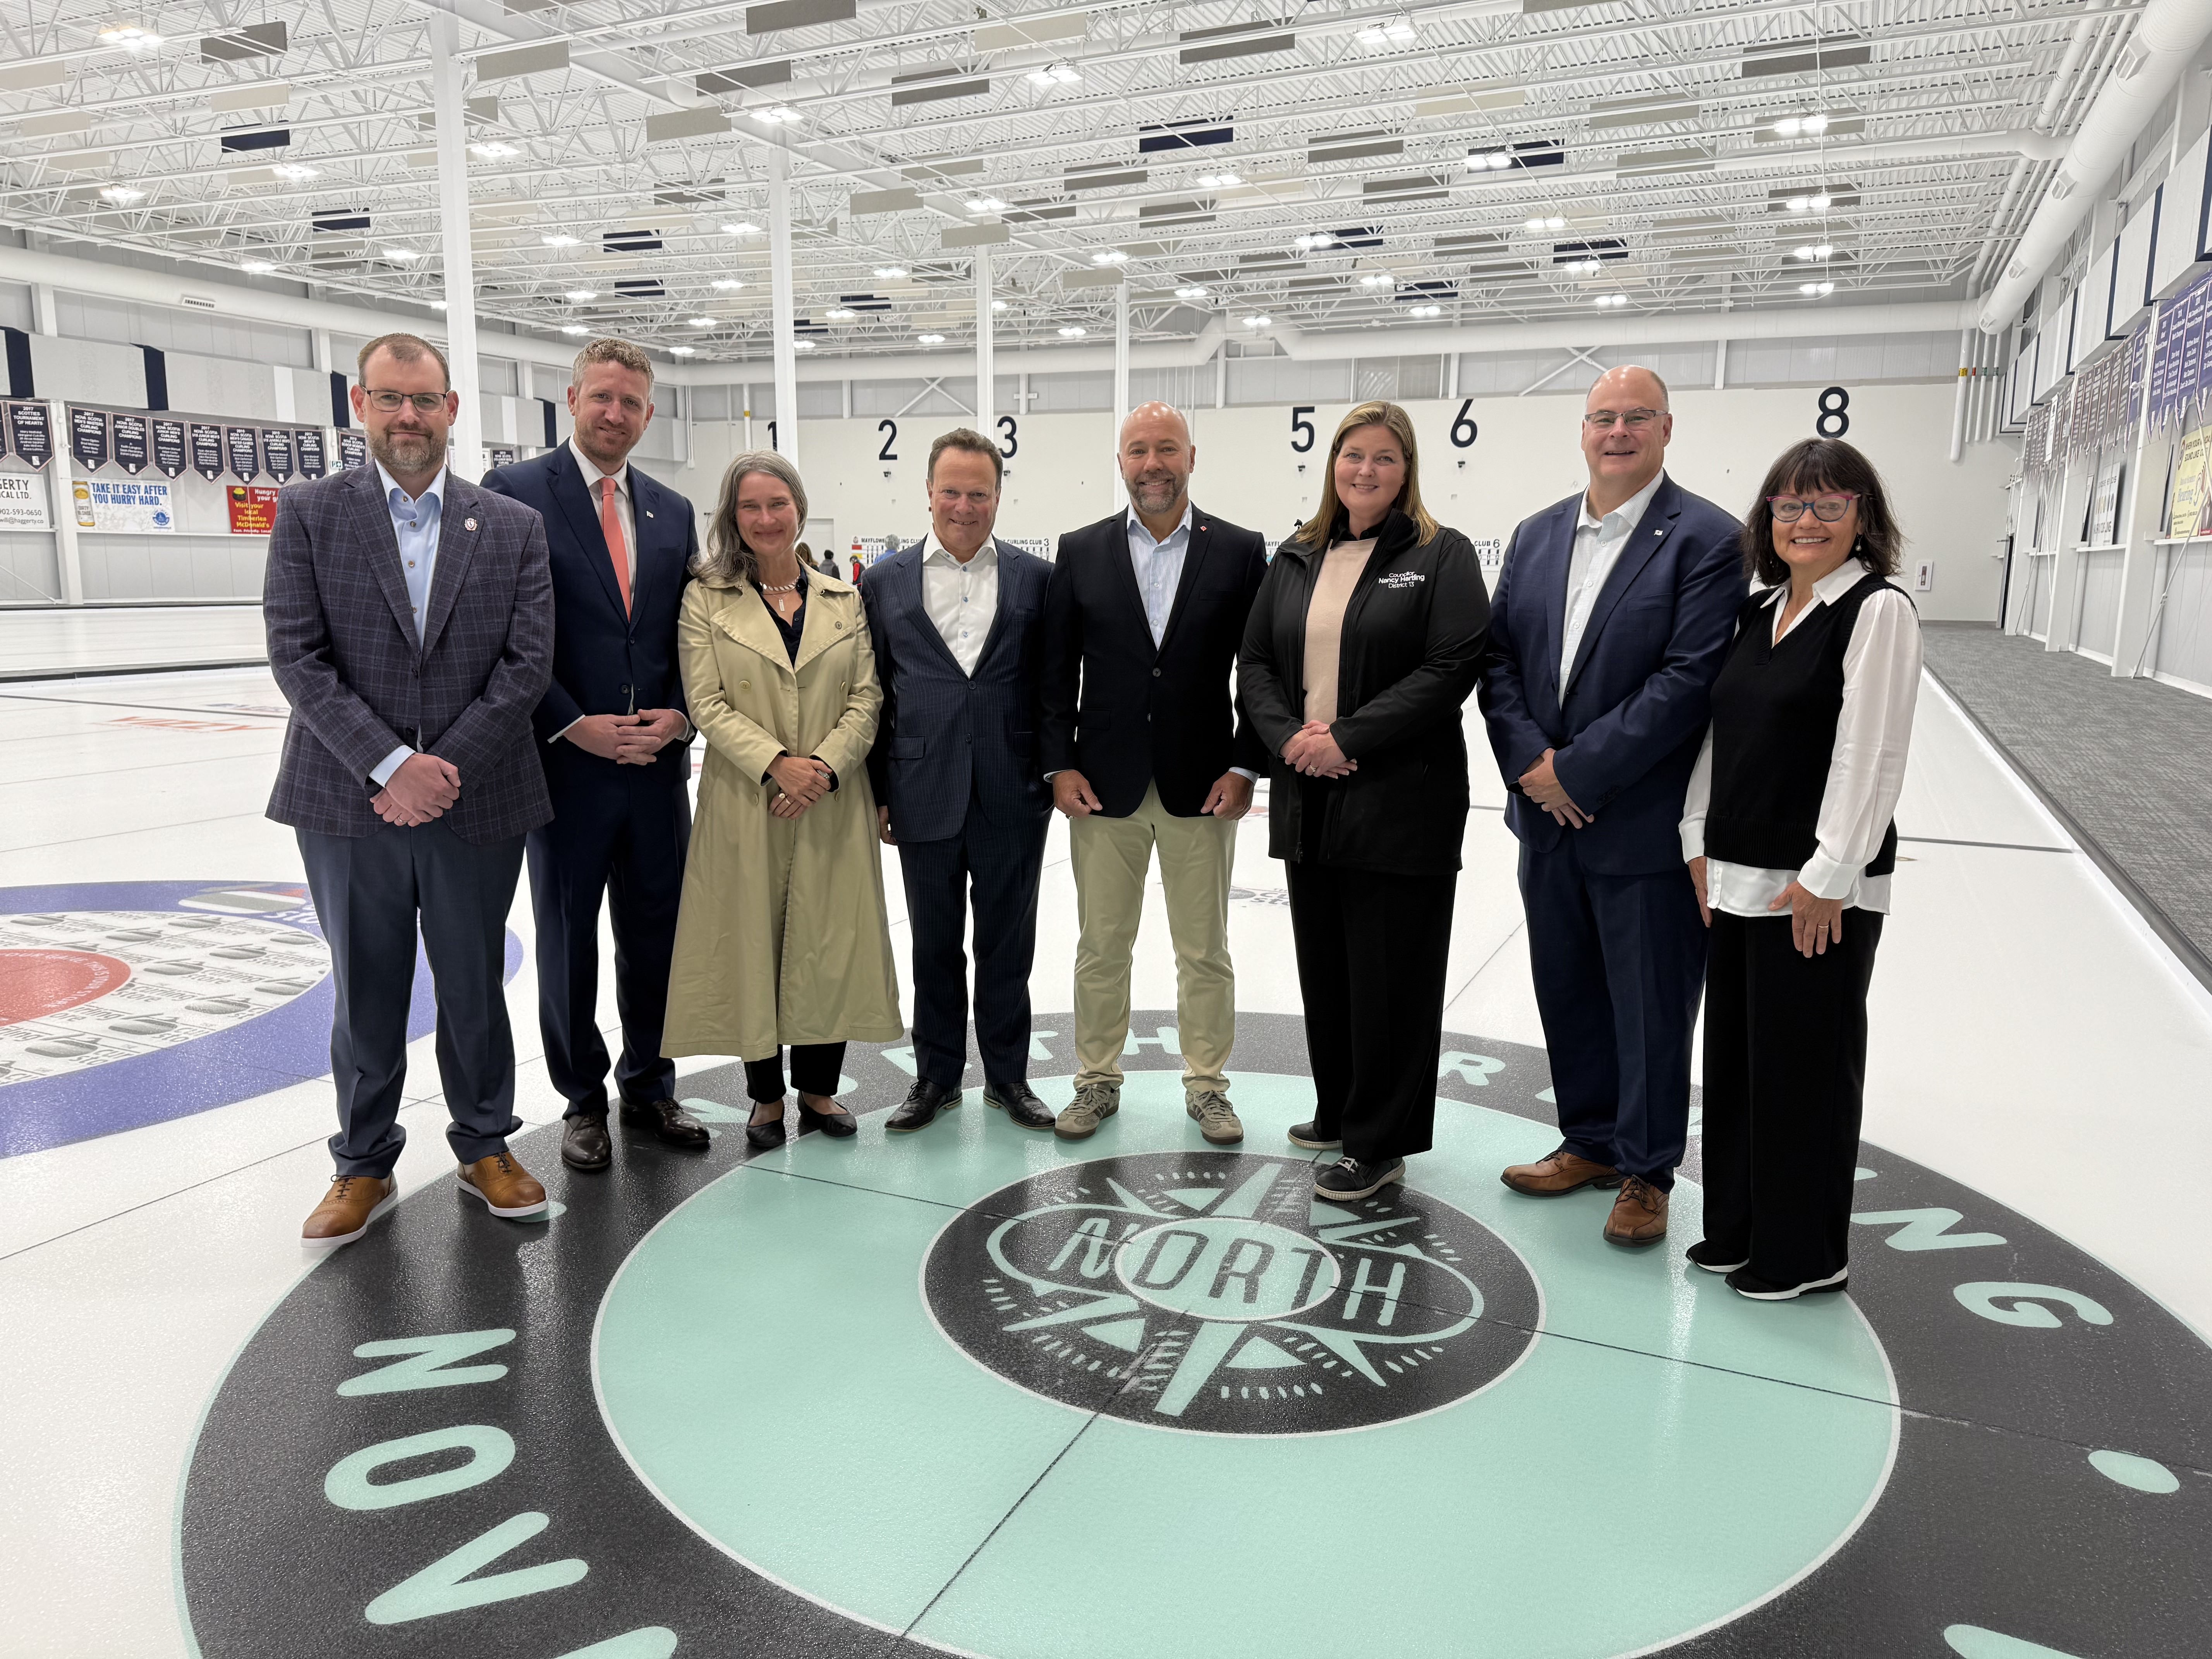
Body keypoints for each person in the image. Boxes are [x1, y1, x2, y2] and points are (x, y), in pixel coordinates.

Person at [268, 332, 555, 1249]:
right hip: (348, 800)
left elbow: (527, 664)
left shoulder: (510, 525)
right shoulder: (310, 512)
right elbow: (297, 656)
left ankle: (486, 1145)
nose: (407, 416)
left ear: (451, 410)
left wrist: (442, 768)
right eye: (390, 398)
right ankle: (362, 1161)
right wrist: (391, 765)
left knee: (474, 982)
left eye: (424, 400)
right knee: (366, 986)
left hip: (477, 796)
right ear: (361, 404)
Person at [1479, 366, 1743, 1248]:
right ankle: (1588, 1142)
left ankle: (1646, 1171)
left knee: (1651, 1007)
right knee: (1568, 991)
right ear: (1583, 430)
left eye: (1637, 417)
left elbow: (1688, 680)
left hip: (1637, 824)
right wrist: (1532, 766)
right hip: (1545, 821)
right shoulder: (1536, 533)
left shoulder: (1709, 540)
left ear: (1667, 429)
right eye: (1603, 418)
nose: (1618, 432)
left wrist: (1579, 774)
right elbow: (1499, 662)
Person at [1683, 438, 1920, 1300]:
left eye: (1828, 504)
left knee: (1804, 1072)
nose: (1806, 521)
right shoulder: (1759, 613)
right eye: (1789, 505)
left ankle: (1805, 1253)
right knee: (1740, 1067)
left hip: (1815, 889)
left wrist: (1832, 874)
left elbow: (1872, 752)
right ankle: (1738, 1228)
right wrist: (1696, 838)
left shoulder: (1876, 611)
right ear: (1768, 519)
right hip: (1737, 872)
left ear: (1862, 516)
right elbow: (1720, 734)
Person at [1239, 401, 1490, 1202]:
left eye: (1385, 457)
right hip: (1309, 794)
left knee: (1391, 978)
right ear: (1333, 466)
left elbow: (1451, 666)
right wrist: (1290, 740)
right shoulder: (1298, 554)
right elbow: (1255, 661)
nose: (1366, 470)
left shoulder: (1441, 555)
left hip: (1399, 799)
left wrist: (1347, 737)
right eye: (1354, 455)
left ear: (1407, 469)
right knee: (1329, 967)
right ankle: (1342, 1110)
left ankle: (1380, 1143)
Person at [481, 337, 708, 1174]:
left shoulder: (673, 511)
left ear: (648, 416)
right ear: (572, 399)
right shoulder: (513, 493)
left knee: (658, 937)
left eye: (632, 403)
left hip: (655, 770)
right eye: (602, 397)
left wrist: (682, 716)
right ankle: (582, 1099)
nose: (616, 413)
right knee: (569, 939)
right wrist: (569, 722)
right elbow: (503, 631)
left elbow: (690, 635)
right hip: (565, 768)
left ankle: (650, 1085)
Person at [1041, 402, 1269, 1146]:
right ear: (1121, 463)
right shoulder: (1081, 550)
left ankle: (1208, 1088)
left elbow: (1259, 670)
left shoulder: (1239, 551)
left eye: (1166, 449)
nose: (1153, 465)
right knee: (1102, 947)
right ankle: (1096, 1082)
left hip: (1202, 786)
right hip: (1102, 786)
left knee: (1203, 950)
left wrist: (1245, 764)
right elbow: (1056, 673)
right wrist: (1060, 764)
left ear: (1191, 458)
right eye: (1138, 451)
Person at [660, 451, 902, 1147]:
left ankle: (819, 1092)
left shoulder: (844, 600)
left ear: (799, 508)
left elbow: (867, 698)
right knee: (751, 941)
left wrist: (821, 769)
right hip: (748, 797)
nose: (765, 519)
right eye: (750, 507)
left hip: (829, 797)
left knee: (828, 940)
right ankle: (765, 1098)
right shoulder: (706, 599)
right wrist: (777, 766)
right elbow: (705, 701)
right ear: (732, 516)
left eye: (777, 504)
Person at [861, 429, 1056, 1133]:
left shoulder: (1039, 580)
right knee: (933, 945)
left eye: (979, 493)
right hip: (921, 789)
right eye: (951, 491)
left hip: (1013, 788)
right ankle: (936, 1077)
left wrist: (1052, 772)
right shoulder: (883, 581)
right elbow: (873, 693)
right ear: (928, 492)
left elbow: (1054, 688)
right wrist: (880, 791)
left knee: (1009, 944)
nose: (964, 507)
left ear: (999, 496)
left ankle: (1008, 1077)